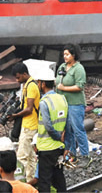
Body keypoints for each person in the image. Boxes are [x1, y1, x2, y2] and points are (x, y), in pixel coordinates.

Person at [55, 45, 90, 165]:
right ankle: (71, 155)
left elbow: (80, 86)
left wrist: (63, 88)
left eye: (67, 54)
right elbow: (57, 81)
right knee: (68, 131)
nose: (65, 57)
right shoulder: (62, 67)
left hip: (76, 104)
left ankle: (85, 155)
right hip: (64, 104)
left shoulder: (78, 68)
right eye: (64, 54)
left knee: (78, 129)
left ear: (73, 55)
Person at [36, 64, 68, 193]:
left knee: (44, 181)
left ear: (43, 84)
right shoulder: (62, 99)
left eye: (39, 82)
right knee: (58, 177)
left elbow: (48, 126)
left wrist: (57, 136)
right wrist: (64, 142)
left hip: (46, 147)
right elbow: (67, 123)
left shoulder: (44, 102)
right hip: (59, 147)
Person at [8, 63, 39, 185]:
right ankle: (30, 182)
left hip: (29, 126)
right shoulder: (28, 84)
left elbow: (29, 109)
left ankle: (20, 185)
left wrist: (15, 116)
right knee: (31, 157)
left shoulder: (31, 86)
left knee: (21, 157)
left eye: (18, 77)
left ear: (24, 74)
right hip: (31, 125)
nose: (17, 80)